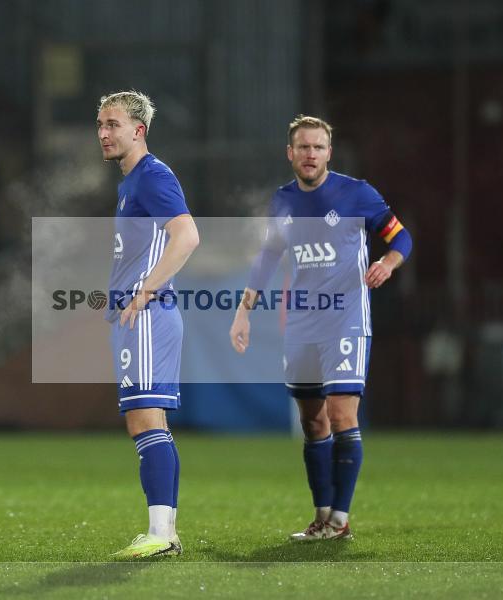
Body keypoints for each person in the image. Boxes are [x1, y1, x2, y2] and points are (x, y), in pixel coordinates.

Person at [229, 115, 412, 540]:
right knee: (313, 422)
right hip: (302, 325)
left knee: (341, 413)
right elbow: (268, 258)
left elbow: (401, 237)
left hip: (345, 321)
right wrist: (244, 310)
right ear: (290, 153)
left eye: (318, 147)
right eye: (303, 147)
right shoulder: (283, 202)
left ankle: (341, 520)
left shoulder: (357, 194)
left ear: (329, 152)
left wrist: (388, 261)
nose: (310, 155)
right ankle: (322, 515)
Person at [97, 90, 200, 558]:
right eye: (100, 125)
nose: (103, 133)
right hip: (136, 317)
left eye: (113, 124)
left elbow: (187, 235)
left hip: (146, 316)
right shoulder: (130, 183)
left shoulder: (152, 175)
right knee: (147, 421)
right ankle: (164, 531)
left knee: (143, 419)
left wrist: (145, 291)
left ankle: (162, 534)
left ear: (139, 130)